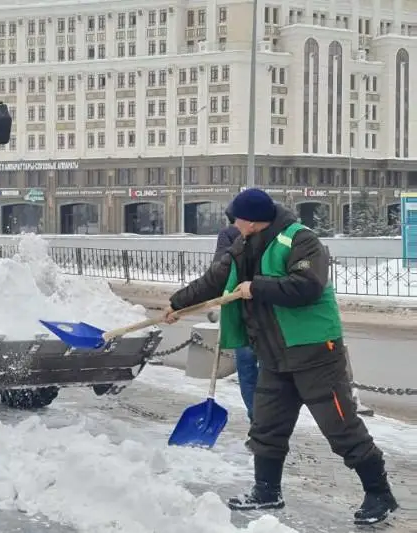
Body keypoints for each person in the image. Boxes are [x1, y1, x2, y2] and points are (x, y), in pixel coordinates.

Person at [162, 188, 398, 526]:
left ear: (254, 221)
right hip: (273, 354)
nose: (233, 223)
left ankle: (380, 493)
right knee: (267, 425)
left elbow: (307, 286)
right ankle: (267, 491)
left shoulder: (300, 240)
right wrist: (177, 304)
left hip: (314, 351)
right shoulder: (242, 246)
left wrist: (256, 287)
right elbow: (215, 280)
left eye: (237, 218)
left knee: (340, 427)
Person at [214, 202, 259, 431]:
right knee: (267, 375)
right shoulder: (270, 235)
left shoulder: (228, 235)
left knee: (249, 372)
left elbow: (218, 270)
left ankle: (258, 423)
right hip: (265, 315)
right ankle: (266, 425)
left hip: (243, 315)